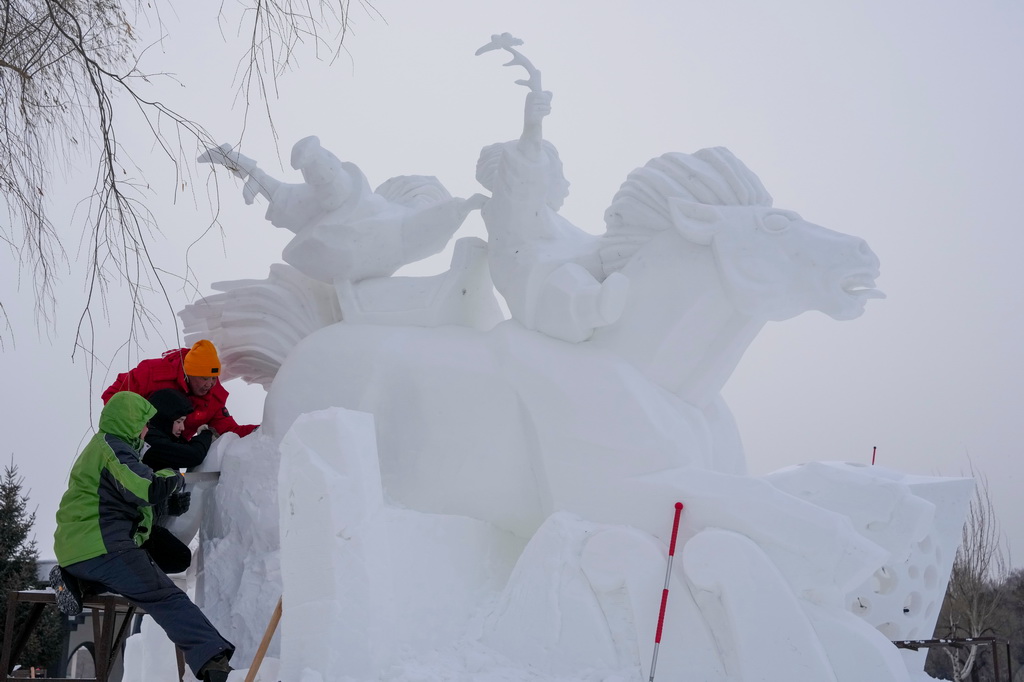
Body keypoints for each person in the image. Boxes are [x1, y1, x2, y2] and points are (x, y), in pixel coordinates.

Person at [51, 391, 234, 682]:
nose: (148, 429)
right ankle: (214, 661)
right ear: (129, 422)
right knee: (164, 596)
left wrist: (166, 504)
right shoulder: (113, 447)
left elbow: (128, 502)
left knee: (157, 569)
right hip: (103, 546)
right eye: (143, 422)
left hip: (80, 549)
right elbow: (145, 488)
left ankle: (78, 580)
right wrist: (170, 477)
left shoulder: (105, 448)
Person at [101, 339, 258, 440]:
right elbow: (113, 397)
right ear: (189, 374)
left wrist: (261, 432)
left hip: (170, 455)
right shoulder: (152, 374)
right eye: (204, 378)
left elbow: (229, 430)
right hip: (132, 447)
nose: (210, 384)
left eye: (213, 378)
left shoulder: (213, 398)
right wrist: (139, 430)